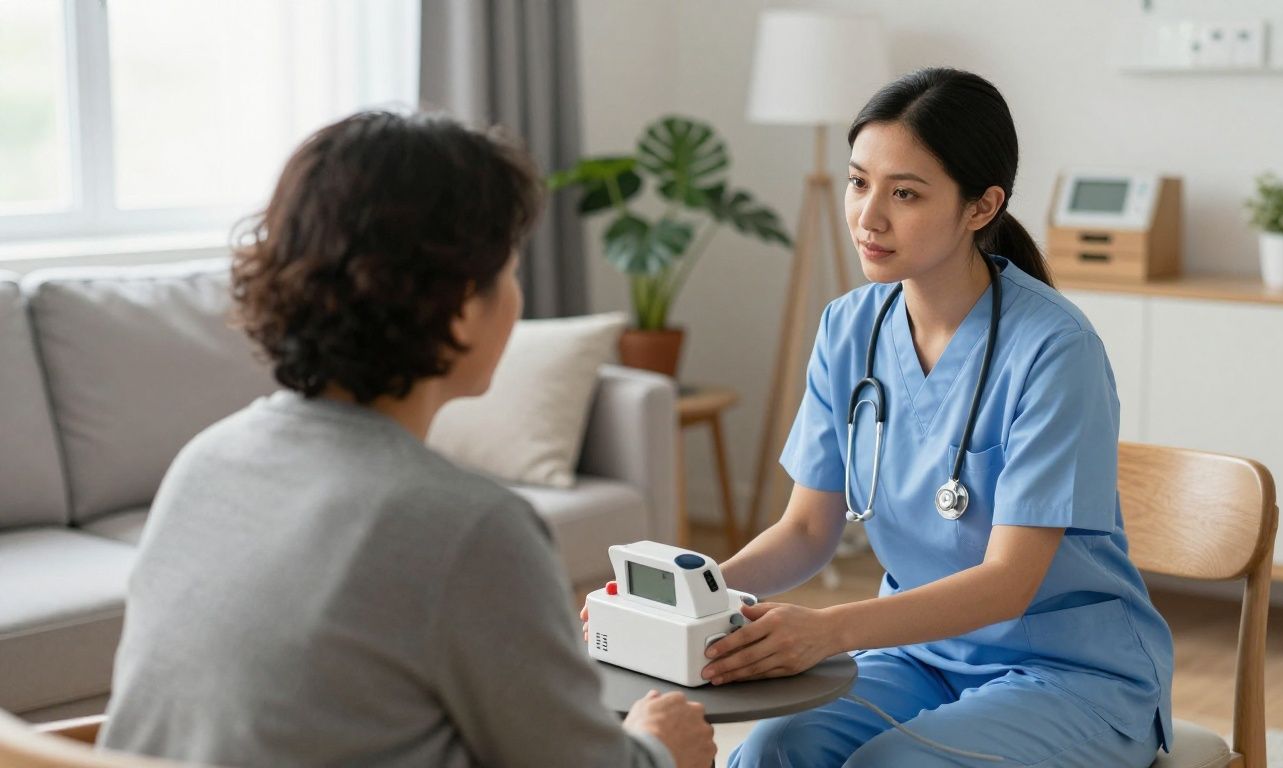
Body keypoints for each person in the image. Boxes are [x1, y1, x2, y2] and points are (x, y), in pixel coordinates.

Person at [98, 111, 715, 768]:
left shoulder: (206, 460)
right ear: (458, 303)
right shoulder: (468, 526)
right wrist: (659, 748)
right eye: (507, 270)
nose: (516, 295)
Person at [711, 69, 1175, 766]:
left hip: (1071, 673)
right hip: (919, 653)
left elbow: (1009, 581)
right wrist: (697, 598)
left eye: (905, 193)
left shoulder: (1054, 349)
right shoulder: (849, 328)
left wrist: (830, 629)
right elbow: (809, 528)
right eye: (859, 181)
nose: (869, 216)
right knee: (773, 749)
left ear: (981, 206)